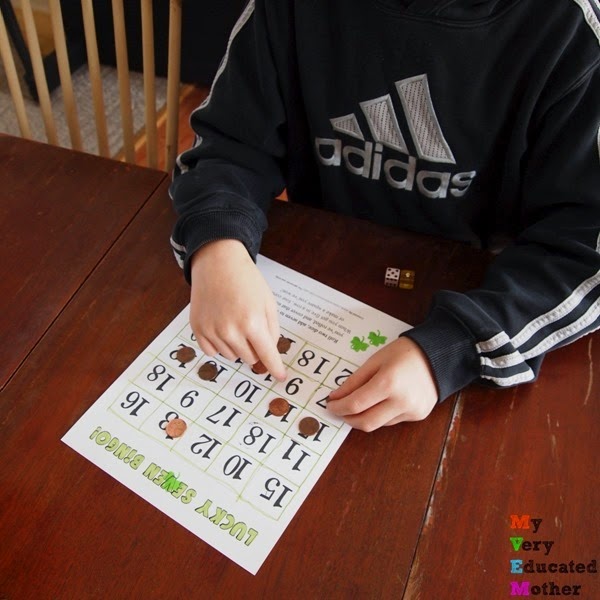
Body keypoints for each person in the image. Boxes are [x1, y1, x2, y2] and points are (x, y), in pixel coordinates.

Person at [169, 0, 600, 432]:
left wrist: (452, 348)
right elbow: (229, 146)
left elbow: (582, 247)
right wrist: (218, 247)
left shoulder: (571, 31)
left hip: (479, 302)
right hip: (320, 269)